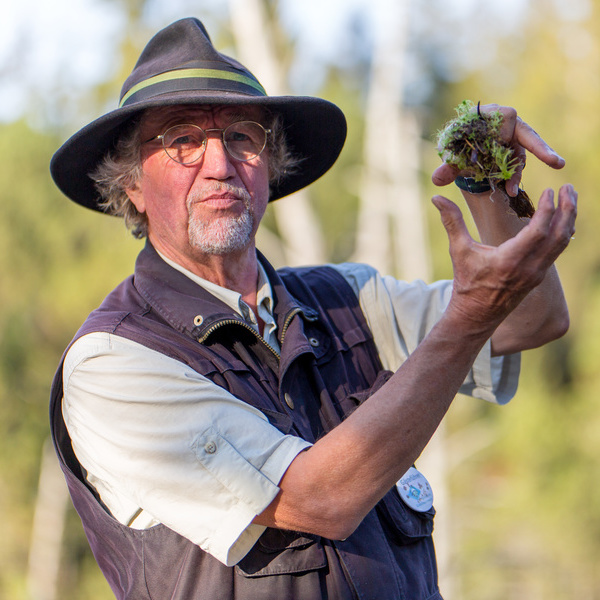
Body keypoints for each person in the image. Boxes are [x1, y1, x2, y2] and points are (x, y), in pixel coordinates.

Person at [49, 17, 576, 600]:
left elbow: (532, 319)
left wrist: (483, 175)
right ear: (132, 185)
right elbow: (318, 499)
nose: (220, 164)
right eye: (182, 140)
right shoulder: (113, 361)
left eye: (244, 137)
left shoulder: (348, 300)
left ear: (269, 170)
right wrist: (471, 312)